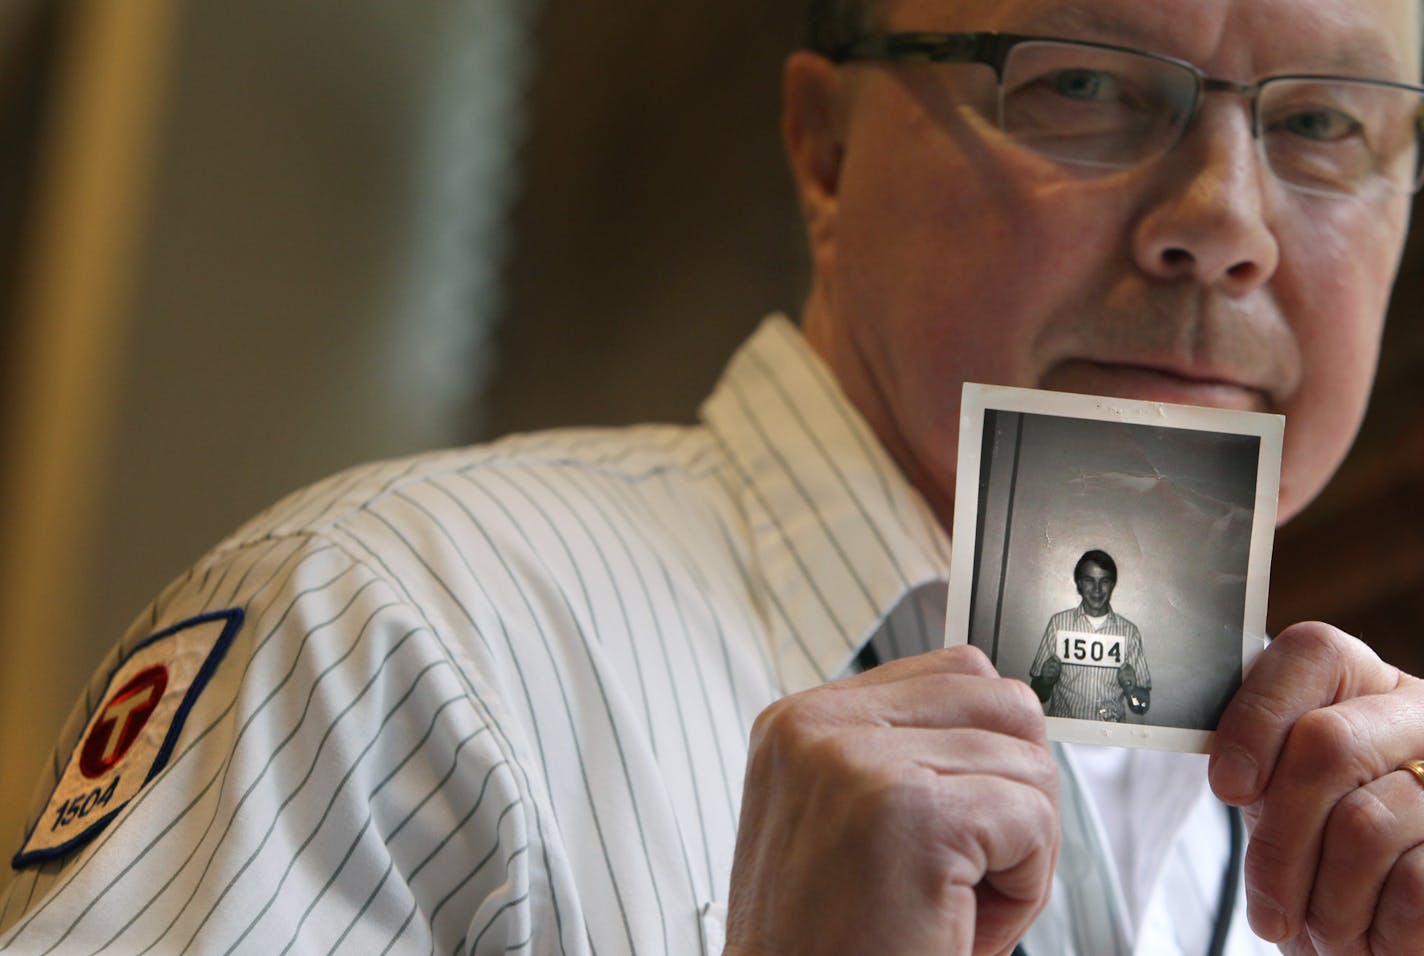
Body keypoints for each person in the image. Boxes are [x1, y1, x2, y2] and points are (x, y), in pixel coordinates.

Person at [4, 0, 1424, 952]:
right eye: (1084, 87)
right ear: (823, 150)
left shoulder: (1375, 850)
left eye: (1323, 127)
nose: (1225, 226)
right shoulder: (394, 634)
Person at [1030, 550, 1152, 722]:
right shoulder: (1058, 624)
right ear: (1079, 584)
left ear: (1112, 585)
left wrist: (1131, 690)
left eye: (1105, 581)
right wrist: (1045, 681)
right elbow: (1038, 694)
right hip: (1065, 731)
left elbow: (1140, 706)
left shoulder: (1129, 632)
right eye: (1089, 580)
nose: (1097, 589)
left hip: (1108, 734)